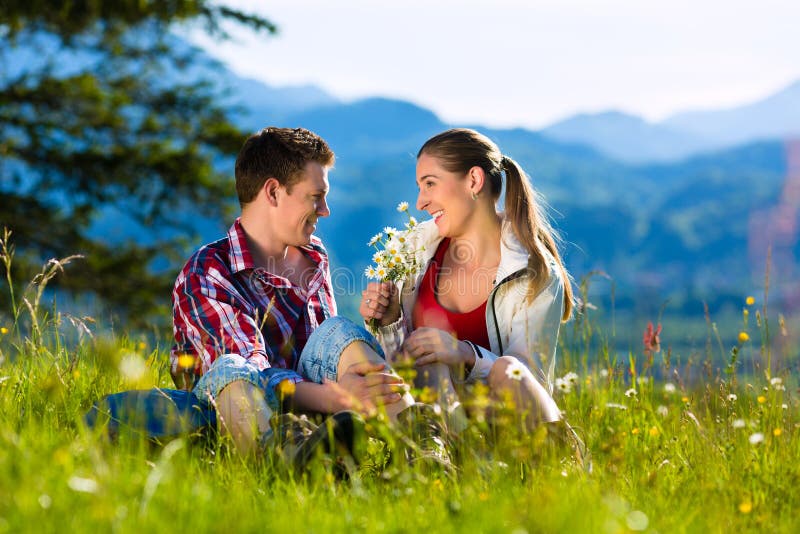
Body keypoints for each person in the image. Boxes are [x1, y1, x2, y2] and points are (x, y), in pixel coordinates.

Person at [170, 127, 415, 463]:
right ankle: (284, 462)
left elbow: (324, 352)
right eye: (315, 196)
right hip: (235, 420)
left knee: (339, 331)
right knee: (231, 368)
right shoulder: (208, 271)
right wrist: (338, 397)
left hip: (323, 408)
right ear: (273, 192)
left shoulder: (314, 255)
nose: (325, 210)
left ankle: (420, 451)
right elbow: (246, 373)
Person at [360, 128, 575, 438]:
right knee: (428, 357)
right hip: (437, 422)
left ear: (473, 181)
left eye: (430, 184)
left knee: (507, 369)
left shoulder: (535, 271)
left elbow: (529, 382)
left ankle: (559, 456)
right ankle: (445, 455)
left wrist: (466, 354)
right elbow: (400, 370)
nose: (420, 202)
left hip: (507, 428)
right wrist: (390, 321)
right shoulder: (415, 250)